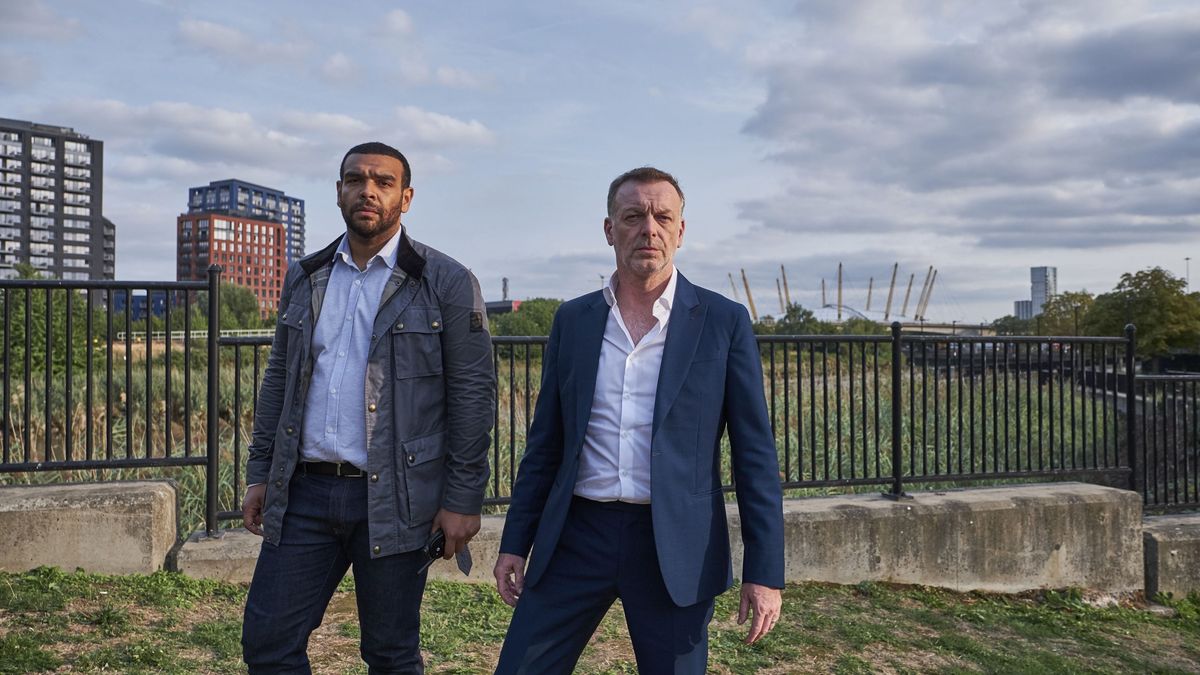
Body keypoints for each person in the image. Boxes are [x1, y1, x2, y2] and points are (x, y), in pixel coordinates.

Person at [493, 167, 785, 673]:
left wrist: (765, 571)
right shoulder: (574, 320)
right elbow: (545, 445)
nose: (648, 228)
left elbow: (754, 455)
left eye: (662, 216)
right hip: (576, 537)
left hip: (673, 545)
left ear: (680, 230)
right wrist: (516, 542)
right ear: (610, 229)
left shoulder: (722, 322)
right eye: (633, 216)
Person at [240, 142, 495, 673]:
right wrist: (261, 472)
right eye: (355, 180)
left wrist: (463, 496)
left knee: (390, 653)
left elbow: (473, 395)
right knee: (268, 643)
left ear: (406, 197)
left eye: (383, 182)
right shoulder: (306, 276)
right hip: (306, 492)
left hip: (398, 498)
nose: (368, 191)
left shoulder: (444, 280)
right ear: (338, 192)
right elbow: (280, 380)